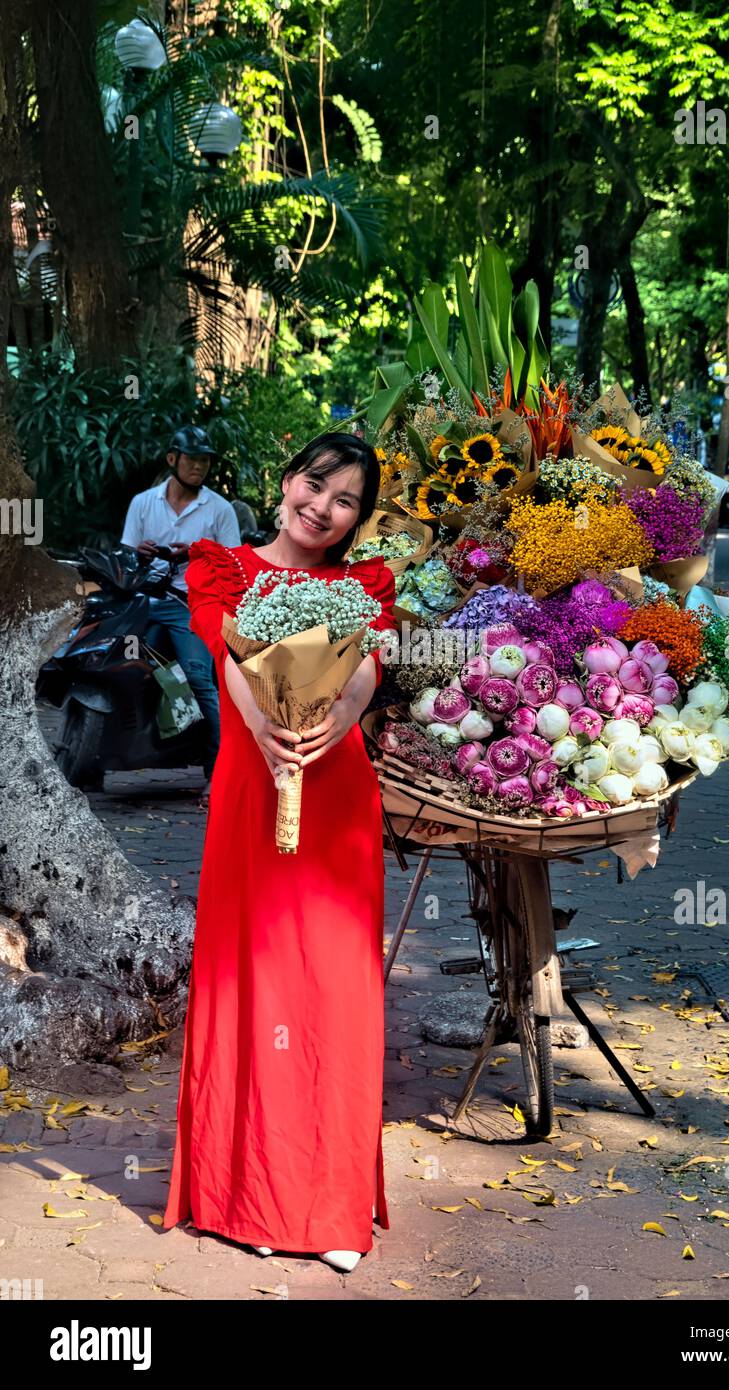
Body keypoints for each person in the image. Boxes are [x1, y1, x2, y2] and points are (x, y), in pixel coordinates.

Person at [161, 432, 397, 1273]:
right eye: (315, 484)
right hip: (253, 787)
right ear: (287, 477)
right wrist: (263, 727)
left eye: (345, 501)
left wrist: (341, 718)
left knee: (336, 991)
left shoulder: (366, 582)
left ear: (358, 520)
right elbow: (230, 656)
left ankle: (328, 1205)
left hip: (335, 798)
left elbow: (368, 665)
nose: (322, 508)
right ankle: (250, 1197)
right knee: (253, 983)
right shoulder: (222, 566)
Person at [120, 426, 241, 807]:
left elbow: (236, 563)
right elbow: (124, 555)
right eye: (192, 458)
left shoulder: (218, 508)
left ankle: (220, 771)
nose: (199, 467)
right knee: (119, 665)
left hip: (192, 604)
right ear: (173, 459)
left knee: (199, 677)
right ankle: (92, 762)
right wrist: (140, 552)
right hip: (142, 600)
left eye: (205, 460)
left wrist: (196, 553)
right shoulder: (143, 502)